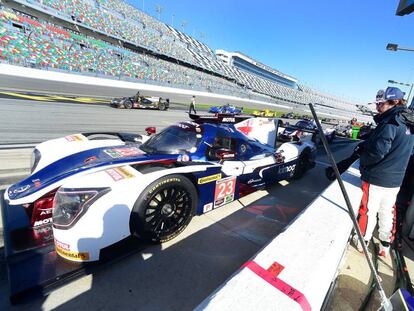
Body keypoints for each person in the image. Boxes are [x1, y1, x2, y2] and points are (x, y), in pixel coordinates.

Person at [354, 87, 414, 257]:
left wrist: (363, 162)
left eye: (380, 104)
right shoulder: (409, 122)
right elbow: (409, 151)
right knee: (387, 211)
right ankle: (385, 245)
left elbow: (377, 152)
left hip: (377, 177)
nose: (377, 107)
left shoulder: (390, 121)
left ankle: (362, 241)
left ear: (394, 102)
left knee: (368, 211)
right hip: (396, 180)